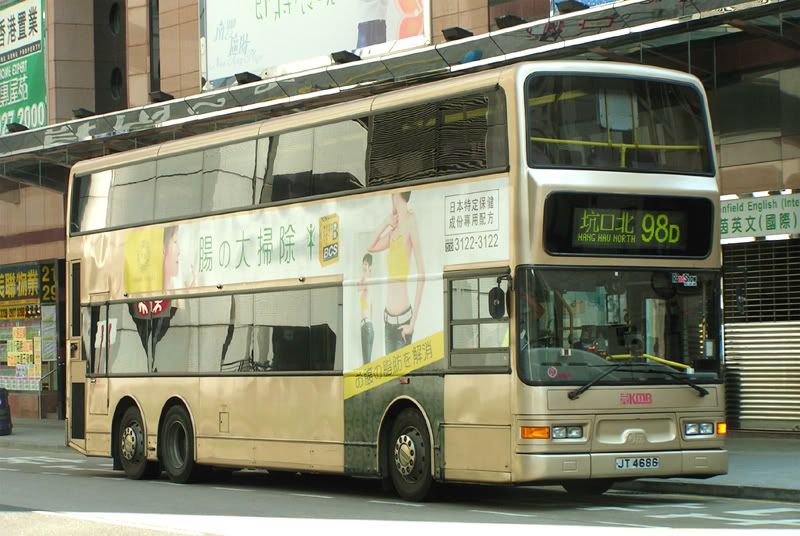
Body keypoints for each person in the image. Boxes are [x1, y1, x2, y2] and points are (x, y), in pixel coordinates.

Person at [368, 192, 424, 354]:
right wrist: (386, 222)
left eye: (391, 196)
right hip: (388, 322)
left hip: (403, 324)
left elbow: (422, 275)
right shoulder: (394, 230)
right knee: (390, 371)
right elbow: (370, 247)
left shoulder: (411, 220)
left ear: (395, 195)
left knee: (402, 371)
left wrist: (412, 325)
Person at [358, 253, 375, 365]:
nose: (363, 266)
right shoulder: (369, 281)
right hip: (369, 326)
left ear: (370, 266)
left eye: (365, 264)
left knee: (366, 364)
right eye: (363, 264)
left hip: (366, 325)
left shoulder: (367, 281)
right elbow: (372, 306)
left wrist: (365, 274)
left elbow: (359, 287)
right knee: (367, 362)